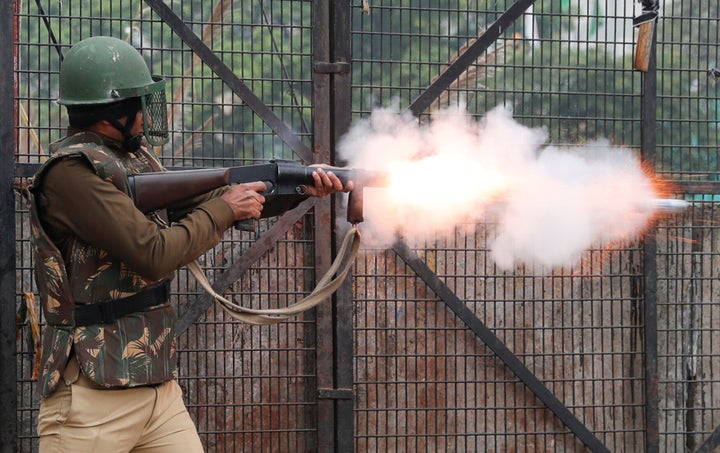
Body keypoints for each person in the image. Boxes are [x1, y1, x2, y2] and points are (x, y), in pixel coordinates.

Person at [28, 36, 352, 452]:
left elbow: (211, 201)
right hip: (91, 397)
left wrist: (302, 186)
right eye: (139, 102)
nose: (147, 113)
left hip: (156, 387)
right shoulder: (70, 174)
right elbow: (153, 254)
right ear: (114, 111)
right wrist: (226, 210)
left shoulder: (136, 161)